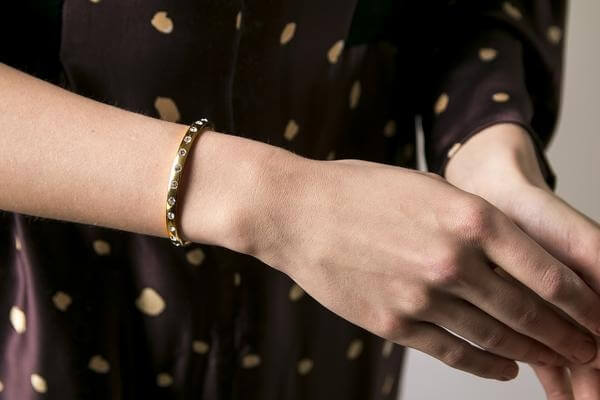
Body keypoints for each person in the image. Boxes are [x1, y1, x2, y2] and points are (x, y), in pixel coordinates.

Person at [0, 0, 598, 399]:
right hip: (45, 291)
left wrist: (488, 156)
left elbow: (469, 11)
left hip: (337, 302)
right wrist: (278, 203)